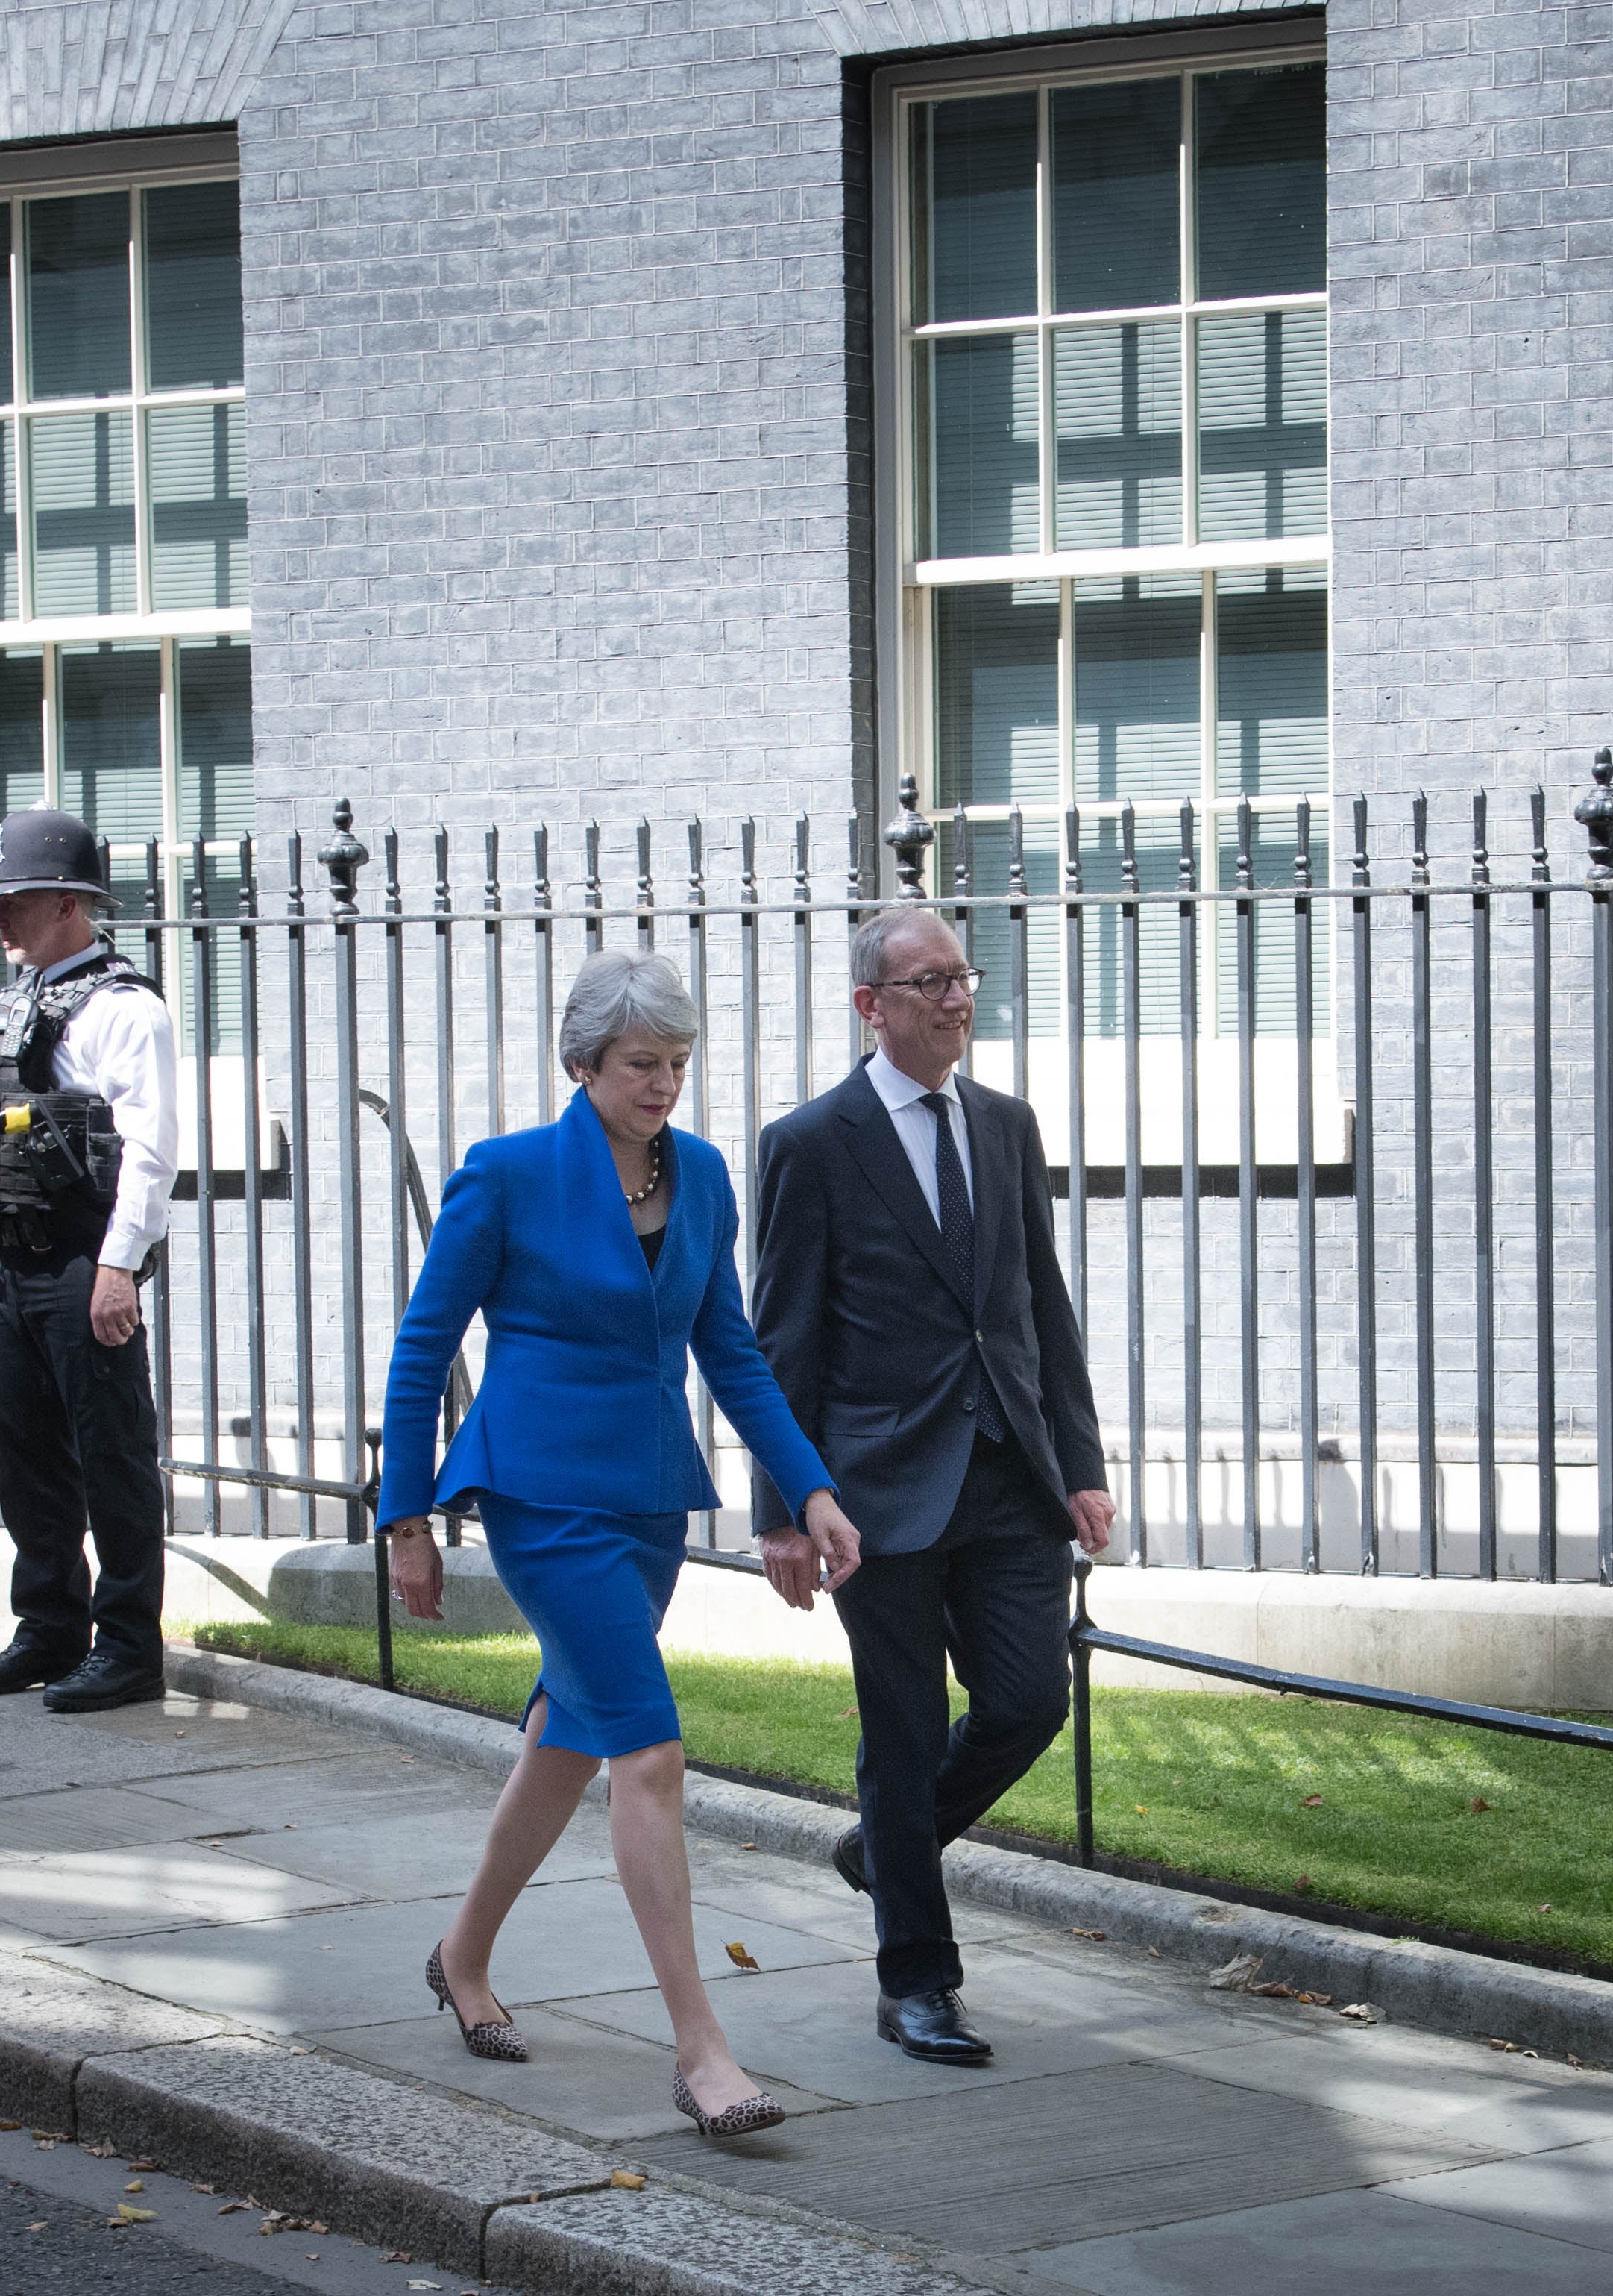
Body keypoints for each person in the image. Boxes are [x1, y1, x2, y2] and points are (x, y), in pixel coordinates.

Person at [377, 950, 870, 2140]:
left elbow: (732, 1355)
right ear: (582, 1062)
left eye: (677, 1063)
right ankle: (701, 2052)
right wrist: (405, 1517)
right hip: (541, 1498)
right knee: (646, 1751)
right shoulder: (502, 1177)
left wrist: (808, 1489)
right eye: (641, 1063)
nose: (663, 1084)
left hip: (647, 1500)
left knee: (565, 1735)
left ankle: (461, 1955)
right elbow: (419, 1348)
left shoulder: (699, 1178)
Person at [749, 903, 1116, 2067]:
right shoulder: (810, 1140)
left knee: (1028, 1700)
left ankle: (882, 1847)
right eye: (927, 982)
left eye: (962, 976)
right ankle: (916, 1980)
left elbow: (1036, 1305)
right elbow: (783, 1339)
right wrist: (779, 1509)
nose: (957, 998)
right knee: (898, 1736)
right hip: (875, 1492)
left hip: (1009, 1472)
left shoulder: (1006, 1126)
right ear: (871, 1004)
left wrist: (1083, 1464)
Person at [0, 808, 183, 1714]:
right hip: (6, 1260)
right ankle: (49, 1627)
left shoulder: (125, 1008)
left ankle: (126, 1646)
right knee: (25, 1455)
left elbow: (150, 1152)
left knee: (110, 1455)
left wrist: (120, 1266)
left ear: (71, 903)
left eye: (18, 901)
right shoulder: (9, 1005)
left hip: (84, 1261)